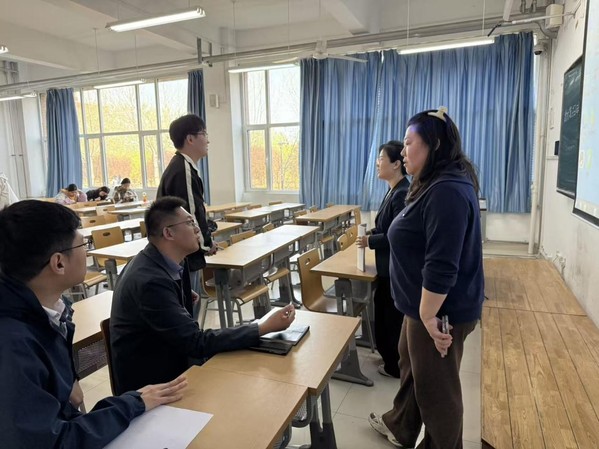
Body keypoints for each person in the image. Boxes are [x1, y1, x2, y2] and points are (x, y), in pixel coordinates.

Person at [0, 200, 187, 449]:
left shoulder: (47, 311)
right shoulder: (12, 344)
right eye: (83, 244)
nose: (87, 252)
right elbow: (54, 442)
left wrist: (69, 380)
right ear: (58, 263)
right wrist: (133, 403)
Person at [368, 107, 484, 449]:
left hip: (438, 310)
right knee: (411, 364)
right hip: (422, 305)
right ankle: (401, 425)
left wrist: (429, 315)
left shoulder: (446, 190)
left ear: (434, 144)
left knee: (438, 392)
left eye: (409, 143)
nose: (403, 151)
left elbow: (442, 264)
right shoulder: (435, 181)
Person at [110, 196, 296, 394]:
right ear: (168, 233)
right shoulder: (151, 282)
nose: (198, 229)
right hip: (152, 386)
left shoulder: (163, 262)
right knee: (249, 385)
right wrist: (262, 327)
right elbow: (195, 342)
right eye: (190, 223)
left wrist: (176, 295)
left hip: (170, 358)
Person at [356, 141, 409, 379]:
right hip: (387, 267)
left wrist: (370, 241)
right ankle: (391, 358)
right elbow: (386, 226)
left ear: (396, 164)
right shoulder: (393, 190)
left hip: (394, 268)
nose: (377, 163)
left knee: (391, 317)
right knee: (385, 311)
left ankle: (394, 365)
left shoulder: (402, 193)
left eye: (381, 159)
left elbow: (396, 235)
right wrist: (371, 234)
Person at [157, 114, 215, 317]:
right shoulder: (183, 168)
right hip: (183, 253)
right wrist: (206, 243)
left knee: (188, 307)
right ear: (190, 138)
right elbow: (190, 214)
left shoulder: (184, 166)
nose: (207, 140)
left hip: (182, 251)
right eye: (204, 134)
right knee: (187, 310)